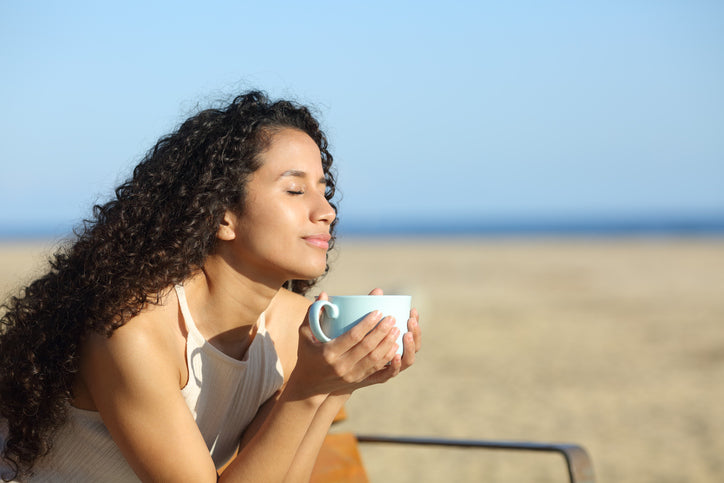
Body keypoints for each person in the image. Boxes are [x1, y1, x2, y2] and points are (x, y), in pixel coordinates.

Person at [0, 91, 422, 482]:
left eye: (324, 190)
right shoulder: (133, 330)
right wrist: (308, 391)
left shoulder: (298, 328)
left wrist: (335, 386)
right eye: (295, 190)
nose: (326, 210)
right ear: (222, 215)